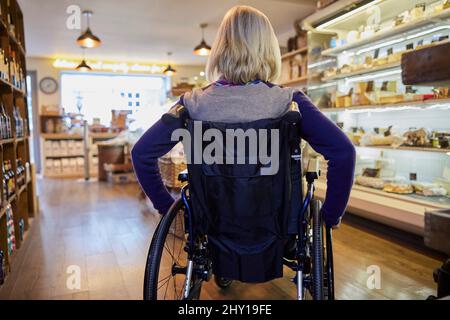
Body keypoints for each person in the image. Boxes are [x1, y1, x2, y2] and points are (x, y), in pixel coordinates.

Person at [131, 5, 355, 231]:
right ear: (268, 49)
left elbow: (141, 153)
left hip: (212, 223)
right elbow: (343, 152)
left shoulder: (191, 104)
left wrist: (166, 207)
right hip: (276, 223)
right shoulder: (289, 102)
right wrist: (330, 217)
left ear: (220, 47)